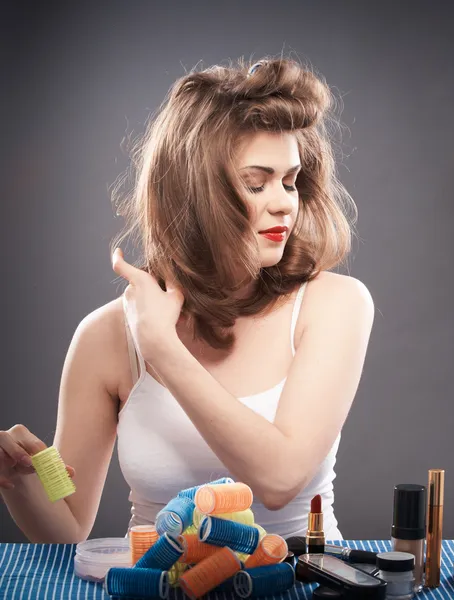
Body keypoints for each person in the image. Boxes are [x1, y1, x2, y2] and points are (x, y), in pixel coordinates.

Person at [0, 56, 374, 543]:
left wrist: (165, 350)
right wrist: (22, 479)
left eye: (290, 180)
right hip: (155, 583)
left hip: (299, 580)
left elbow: (280, 480)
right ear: (194, 195)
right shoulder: (105, 336)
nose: (284, 201)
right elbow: (68, 529)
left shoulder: (334, 304)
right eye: (256, 183)